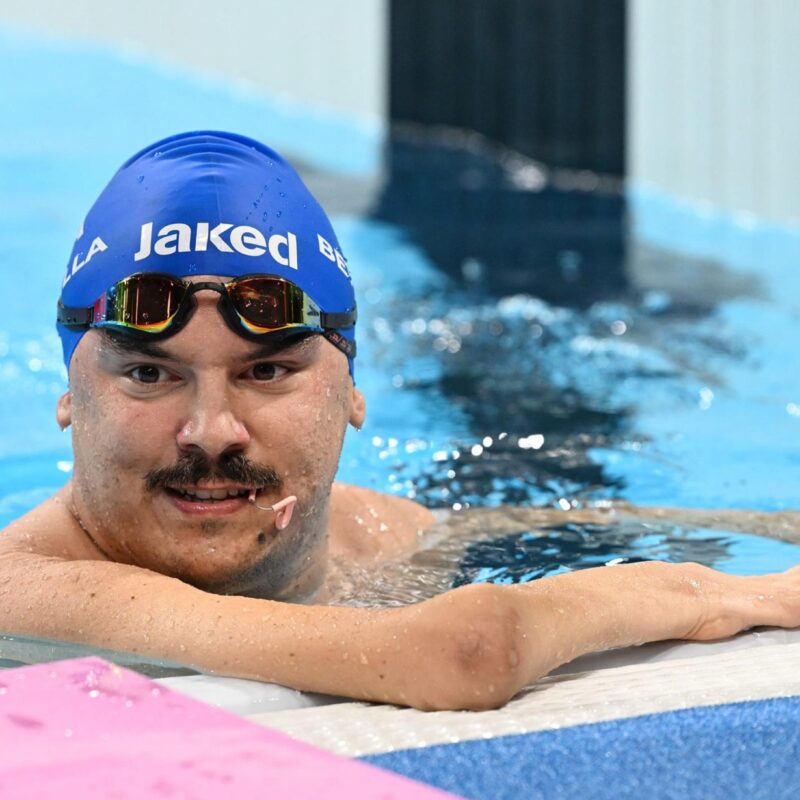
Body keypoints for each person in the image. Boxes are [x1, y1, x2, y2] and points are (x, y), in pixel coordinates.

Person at [0, 131, 798, 711]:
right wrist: (716, 594)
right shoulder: (25, 590)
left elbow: (491, 525)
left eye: (267, 370)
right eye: (149, 373)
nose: (211, 431)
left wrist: (755, 525)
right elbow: (464, 652)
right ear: (69, 393)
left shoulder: (362, 530)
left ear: (352, 388)